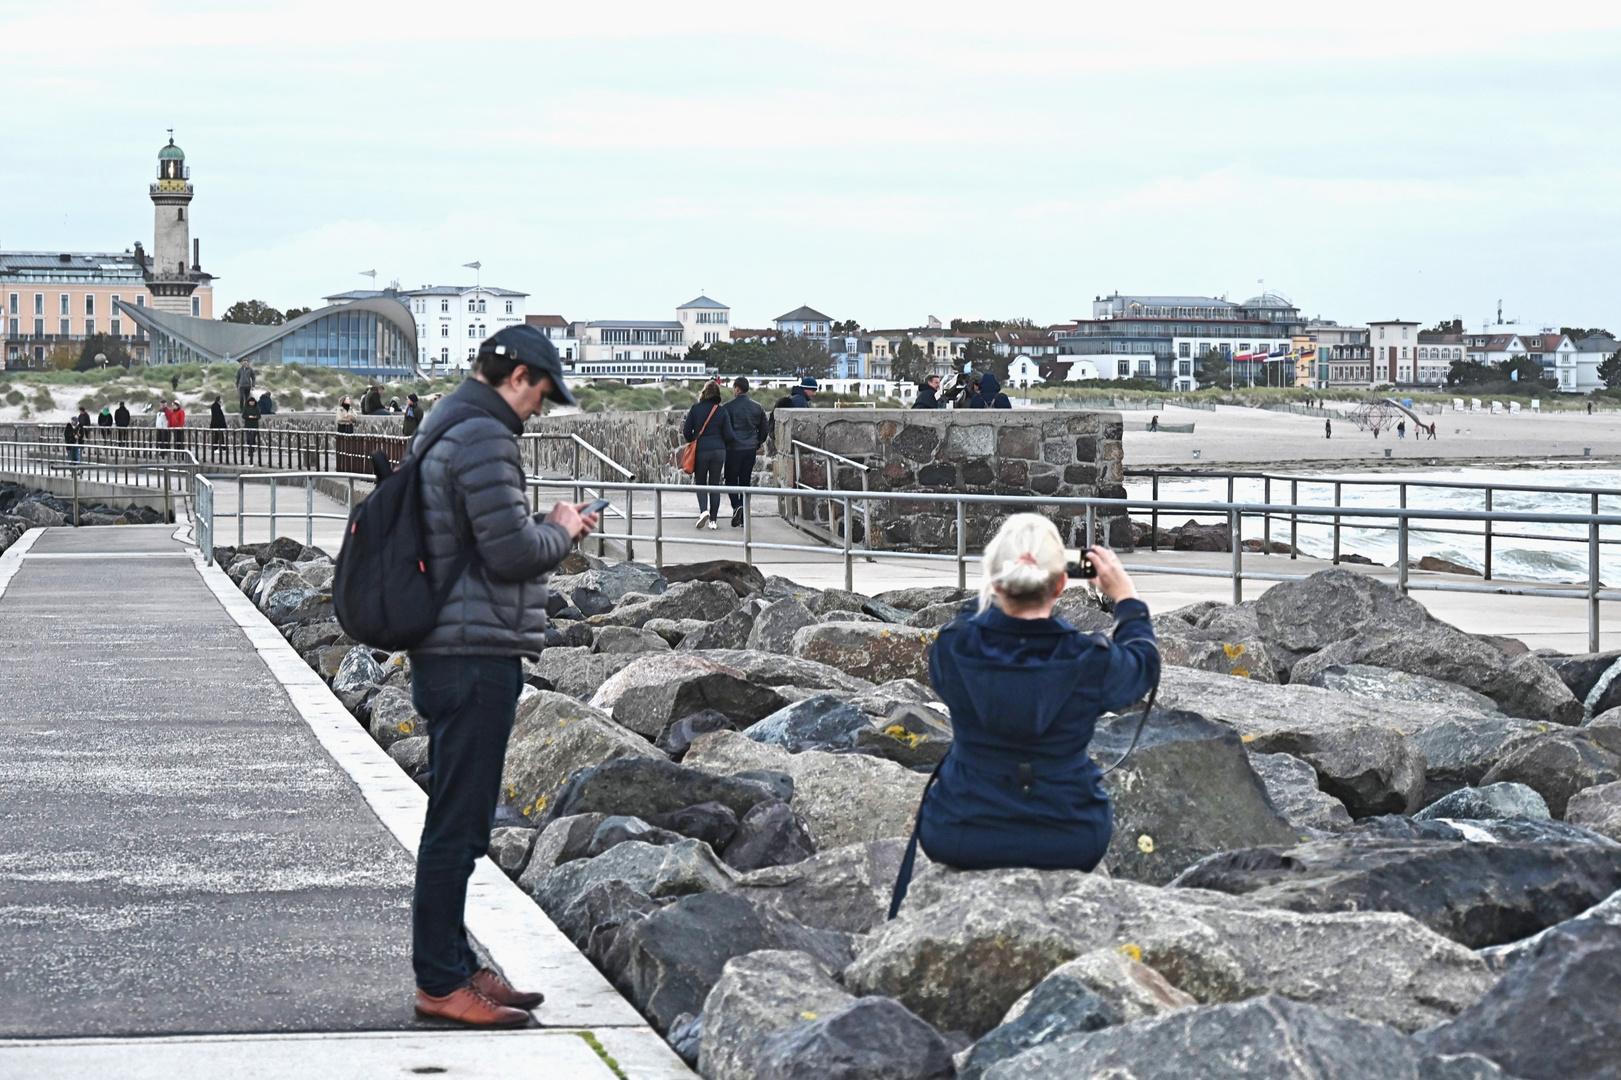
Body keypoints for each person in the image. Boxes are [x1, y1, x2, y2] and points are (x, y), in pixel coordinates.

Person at [410, 323, 598, 1027]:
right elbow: (511, 552)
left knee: (455, 817)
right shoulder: (485, 436)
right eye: (541, 396)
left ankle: (456, 965)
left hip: (450, 644)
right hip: (471, 652)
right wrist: (562, 528)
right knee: (457, 824)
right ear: (517, 376)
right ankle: (439, 981)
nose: (539, 411)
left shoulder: (446, 420)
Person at [913, 515, 1158, 877]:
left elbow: (969, 621)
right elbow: (1143, 663)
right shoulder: (1091, 659)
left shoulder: (954, 648)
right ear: (1061, 584)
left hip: (959, 830)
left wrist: (994, 585)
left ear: (996, 582)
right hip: (1070, 837)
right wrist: (1126, 598)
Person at [683, 381, 737, 530]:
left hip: (701, 450)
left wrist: (693, 440)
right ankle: (713, 520)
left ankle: (703, 512)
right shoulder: (721, 411)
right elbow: (729, 434)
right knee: (714, 485)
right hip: (719, 451)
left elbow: (687, 432)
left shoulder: (695, 409)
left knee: (700, 482)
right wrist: (722, 444)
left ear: (704, 393)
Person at [722, 377, 770, 528]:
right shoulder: (757, 407)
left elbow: (724, 429)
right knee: (745, 481)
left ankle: (737, 506)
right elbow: (764, 428)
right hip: (750, 449)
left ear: (736, 389)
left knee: (730, 480)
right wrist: (758, 442)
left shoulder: (728, 407)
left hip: (733, 449)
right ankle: (743, 518)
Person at [335, 396, 358, 473]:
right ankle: (340, 465)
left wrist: (348, 418)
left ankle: (349, 466)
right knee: (341, 447)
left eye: (349, 399)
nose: (349, 400)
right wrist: (349, 418)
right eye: (347, 399)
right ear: (343, 401)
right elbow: (340, 419)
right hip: (342, 428)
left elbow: (355, 417)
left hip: (350, 428)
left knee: (350, 447)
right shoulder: (340, 409)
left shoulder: (351, 409)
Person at [242, 393, 261, 459]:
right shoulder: (246, 408)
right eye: (251, 402)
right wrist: (248, 416)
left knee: (253, 438)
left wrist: (255, 417)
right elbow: (243, 416)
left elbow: (259, 416)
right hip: (247, 425)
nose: (252, 403)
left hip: (255, 425)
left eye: (253, 402)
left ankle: (251, 450)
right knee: (248, 438)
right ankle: (249, 449)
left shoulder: (256, 408)